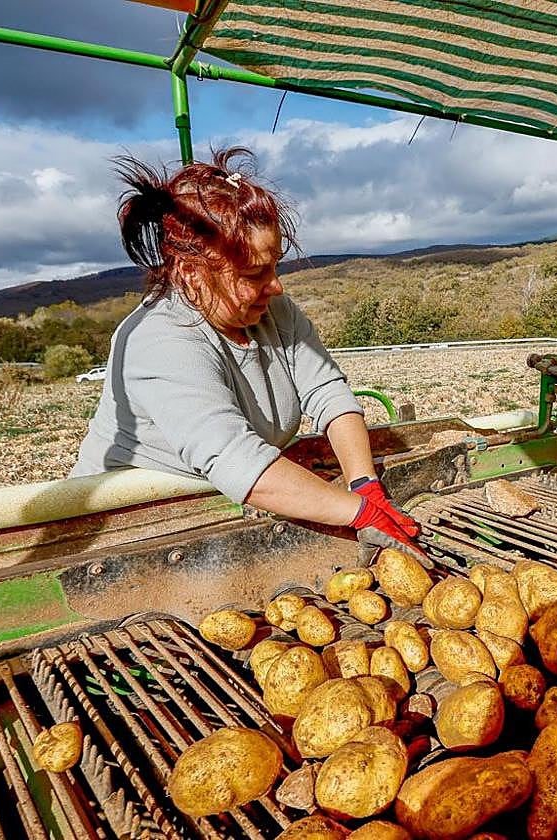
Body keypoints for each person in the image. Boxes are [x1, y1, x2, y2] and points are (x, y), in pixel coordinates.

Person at [71, 148, 426, 566]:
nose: (275, 286)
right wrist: (360, 514)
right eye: (254, 274)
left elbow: (328, 392)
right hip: (136, 531)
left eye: (274, 266)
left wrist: (364, 484)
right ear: (191, 273)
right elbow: (237, 459)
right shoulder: (159, 340)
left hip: (225, 503)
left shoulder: (275, 311)